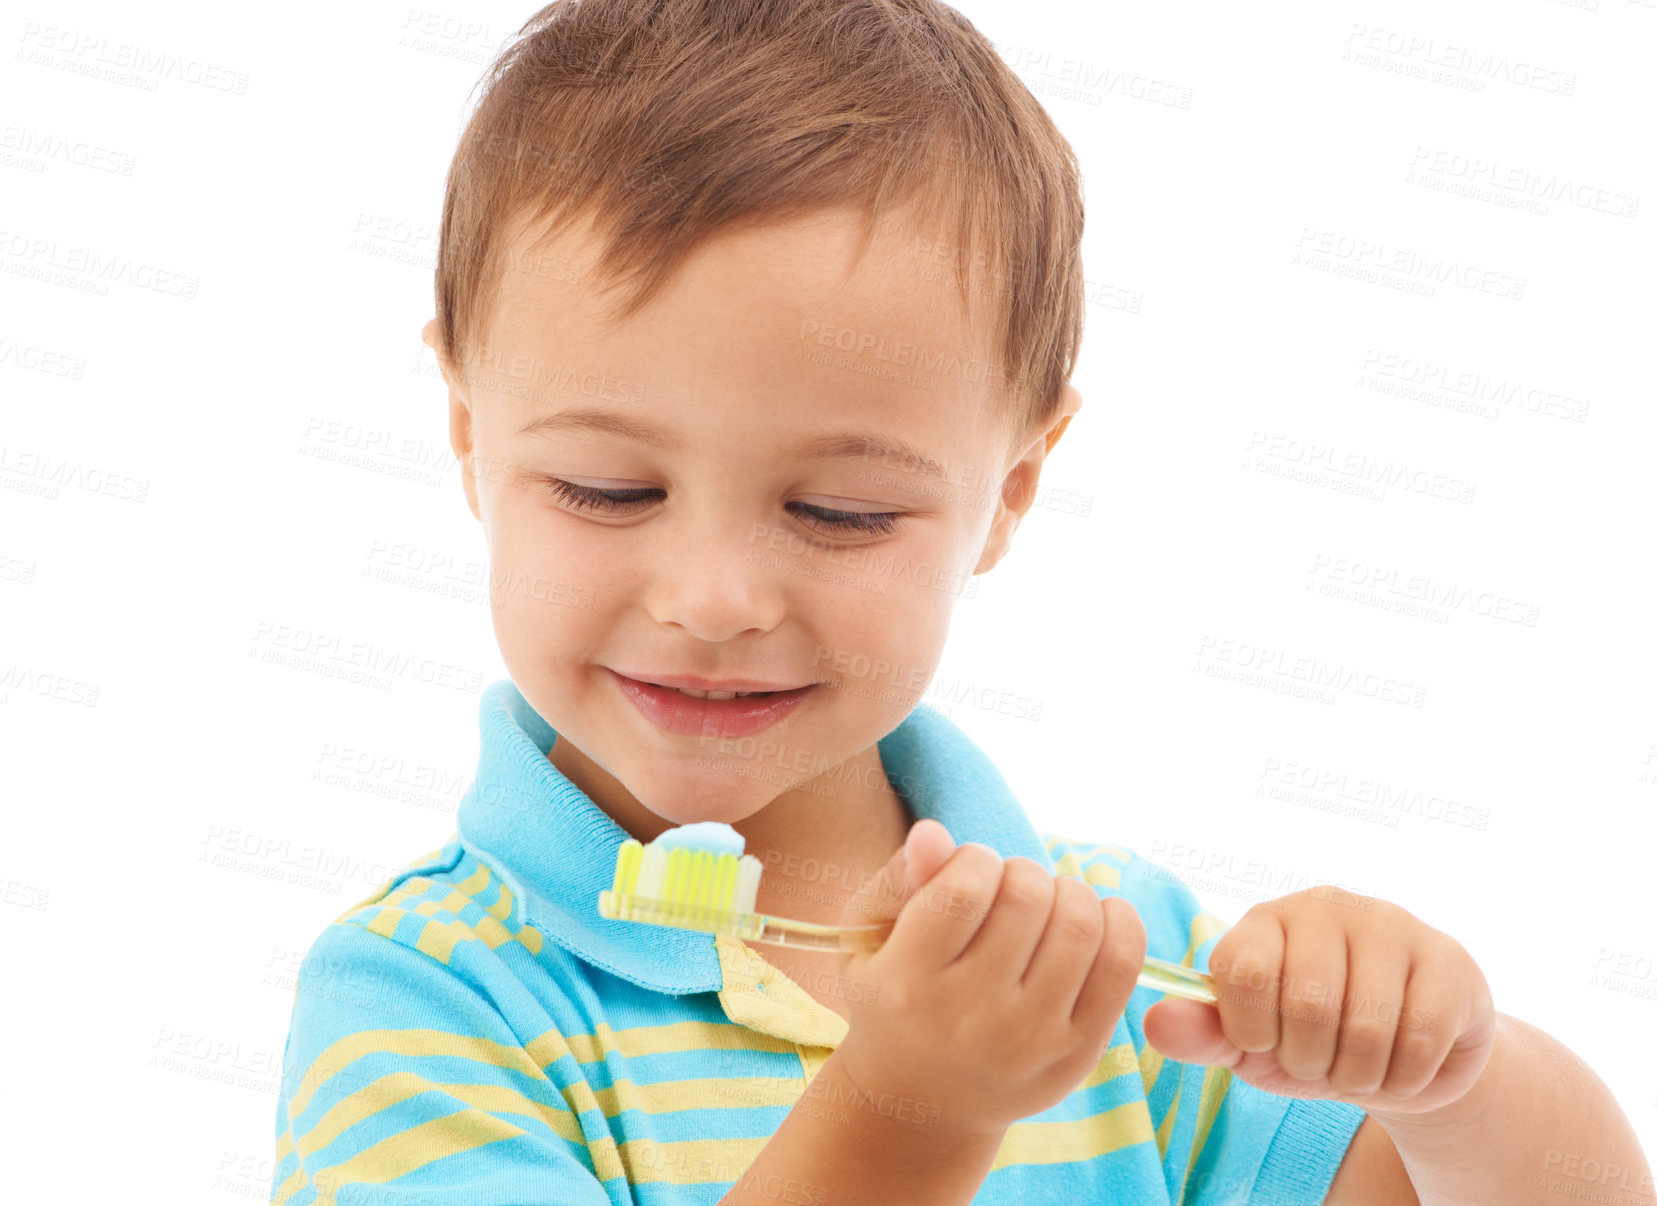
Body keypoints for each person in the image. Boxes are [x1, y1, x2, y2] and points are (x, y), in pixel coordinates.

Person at [270, 1, 1651, 1202]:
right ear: (465, 432)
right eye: (607, 489)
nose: (713, 598)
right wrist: (913, 1108)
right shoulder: (423, 999)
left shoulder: (1122, 961)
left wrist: (1453, 1076)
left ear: (1011, 489)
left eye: (840, 512)